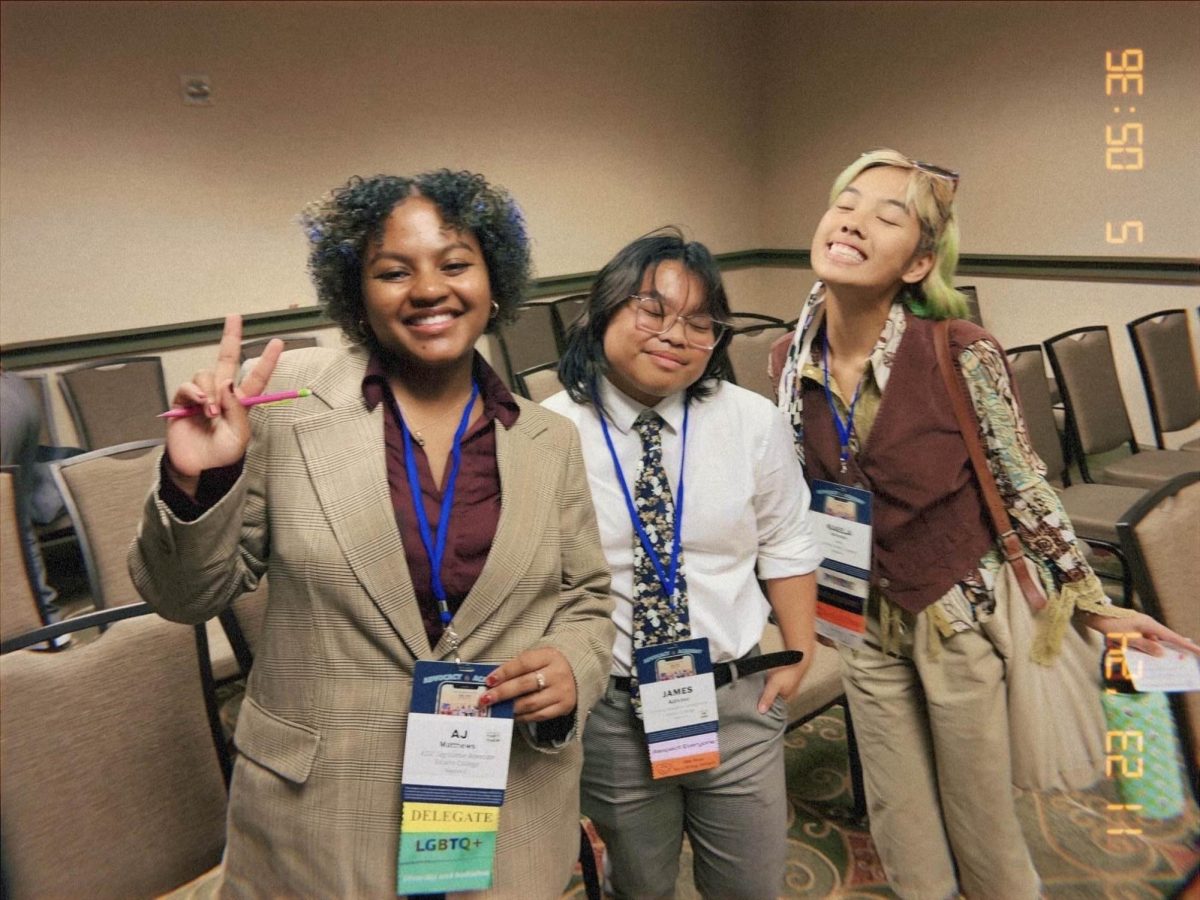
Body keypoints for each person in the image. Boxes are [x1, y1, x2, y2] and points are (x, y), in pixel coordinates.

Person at [129, 170, 614, 898]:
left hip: (503, 799)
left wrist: (575, 664)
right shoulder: (284, 407)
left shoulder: (547, 438)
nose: (428, 289)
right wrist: (201, 480)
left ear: (494, 279)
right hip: (316, 816)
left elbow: (588, 596)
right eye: (394, 271)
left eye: (455, 263)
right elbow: (184, 597)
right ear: (357, 290)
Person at [773, 148, 1199, 899]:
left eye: (887, 213)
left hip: (957, 616)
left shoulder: (959, 352)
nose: (853, 219)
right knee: (899, 819)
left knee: (982, 824)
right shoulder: (786, 361)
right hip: (861, 620)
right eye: (846, 202)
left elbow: (1025, 483)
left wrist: (1096, 610)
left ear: (918, 263)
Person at [544, 229, 821, 899]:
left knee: (752, 886)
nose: (676, 334)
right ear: (605, 310)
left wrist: (801, 647)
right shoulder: (544, 433)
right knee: (640, 886)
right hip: (611, 710)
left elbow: (786, 536)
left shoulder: (752, 424)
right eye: (652, 309)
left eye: (701, 323)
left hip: (736, 696)